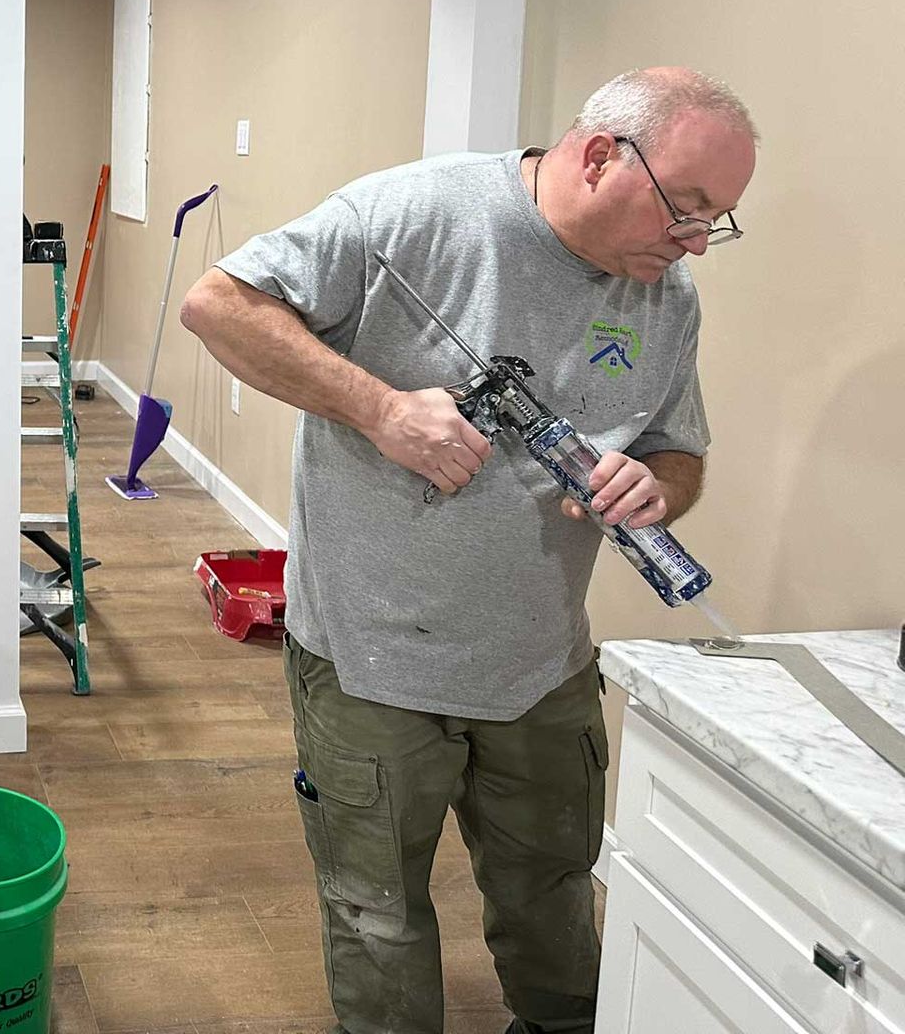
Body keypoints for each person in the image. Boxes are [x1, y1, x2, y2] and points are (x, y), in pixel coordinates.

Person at [179, 67, 758, 1034]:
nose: (696, 240)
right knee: (377, 918)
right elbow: (218, 305)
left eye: (717, 221)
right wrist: (381, 409)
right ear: (601, 156)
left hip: (541, 668)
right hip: (371, 662)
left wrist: (658, 487)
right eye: (686, 207)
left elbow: (679, 449)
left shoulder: (667, 296)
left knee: (554, 897)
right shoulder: (412, 216)